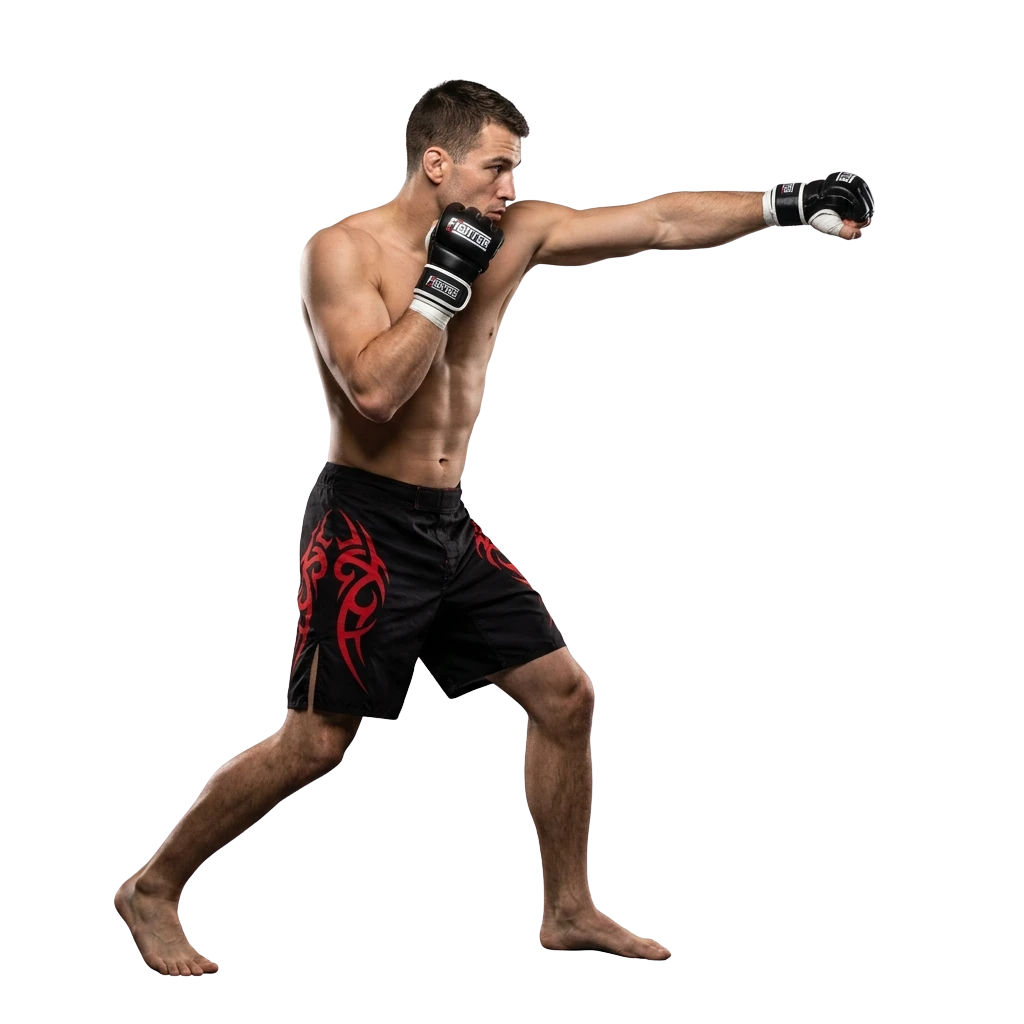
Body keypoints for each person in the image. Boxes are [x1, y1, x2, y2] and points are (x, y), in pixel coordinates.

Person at [112, 81, 874, 974]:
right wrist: (442, 285)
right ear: (437, 163)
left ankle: (568, 909)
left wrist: (785, 202)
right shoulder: (344, 249)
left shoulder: (514, 232)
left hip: (449, 526)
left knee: (565, 699)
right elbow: (375, 391)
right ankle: (153, 889)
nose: (512, 189)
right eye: (496, 168)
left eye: (518, 170)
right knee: (316, 743)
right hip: (366, 528)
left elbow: (661, 222)